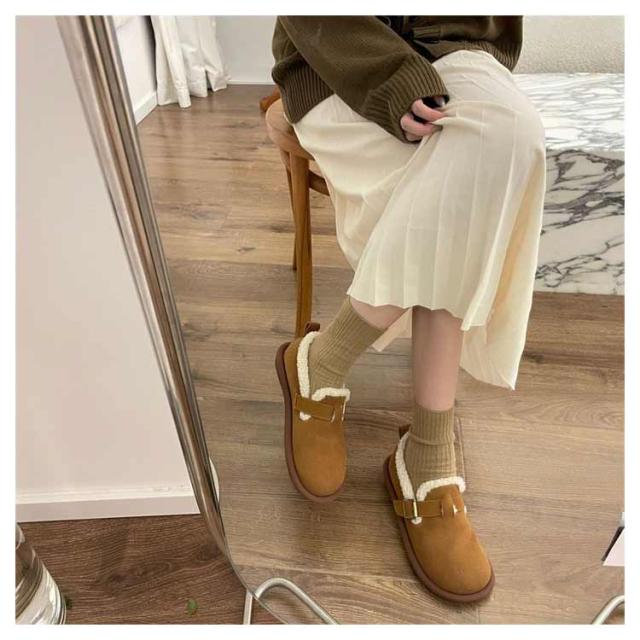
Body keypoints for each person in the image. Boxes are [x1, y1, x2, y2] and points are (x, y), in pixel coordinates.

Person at [272, 16, 546, 603]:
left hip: (460, 47)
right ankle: (427, 456)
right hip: (336, 58)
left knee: (512, 139)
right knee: (460, 188)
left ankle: (324, 360)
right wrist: (391, 78)